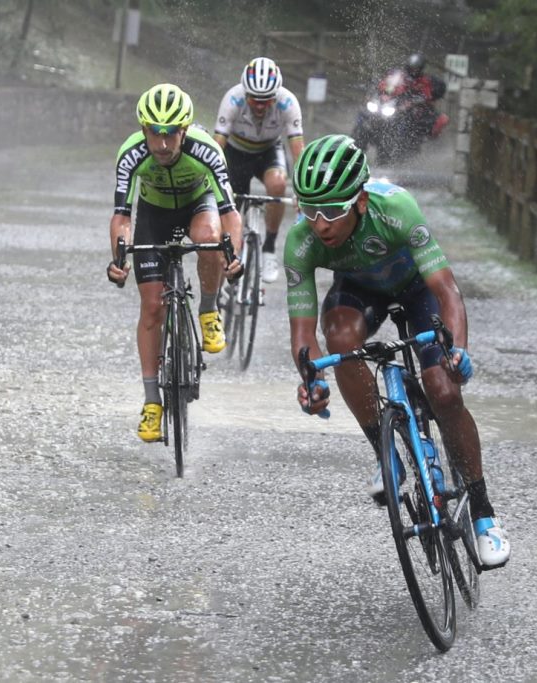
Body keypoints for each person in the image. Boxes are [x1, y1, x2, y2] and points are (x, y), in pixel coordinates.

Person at [285, 134, 509, 568]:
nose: (321, 224)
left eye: (332, 211)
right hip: (359, 291)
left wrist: (455, 349)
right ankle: (386, 453)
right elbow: (303, 332)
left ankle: (483, 513)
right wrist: (310, 377)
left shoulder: (397, 209)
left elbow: (446, 290)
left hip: (416, 289)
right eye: (309, 210)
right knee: (340, 342)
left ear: (361, 201)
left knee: (443, 390)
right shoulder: (302, 241)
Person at [106, 84, 244, 443]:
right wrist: (118, 258)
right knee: (152, 307)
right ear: (143, 131)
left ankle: (209, 311)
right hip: (154, 214)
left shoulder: (207, 151)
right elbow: (122, 216)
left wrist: (236, 255)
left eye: (171, 134)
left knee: (210, 239)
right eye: (155, 133)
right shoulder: (131, 155)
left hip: (198, 206)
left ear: (185, 131)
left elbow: (230, 214)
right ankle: (153, 402)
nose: (163, 144)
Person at [213, 57, 304, 284]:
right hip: (236, 153)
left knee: (278, 185)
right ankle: (233, 251)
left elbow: (298, 151)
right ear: (245, 94)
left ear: (276, 94)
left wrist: (303, 191)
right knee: (232, 204)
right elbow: (216, 147)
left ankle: (269, 248)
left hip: (269, 151)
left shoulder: (288, 102)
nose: (261, 105)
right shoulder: (232, 99)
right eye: (255, 100)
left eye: (266, 100)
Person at [376, 53, 449, 140]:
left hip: (413, 108)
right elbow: (386, 85)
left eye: (416, 68)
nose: (413, 70)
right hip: (394, 104)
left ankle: (410, 140)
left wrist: (419, 99)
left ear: (420, 69)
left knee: (412, 120)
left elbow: (428, 94)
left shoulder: (425, 81)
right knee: (368, 112)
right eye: (411, 67)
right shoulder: (398, 76)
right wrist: (384, 94)